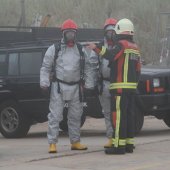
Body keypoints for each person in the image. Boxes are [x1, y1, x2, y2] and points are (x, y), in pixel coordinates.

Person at [88, 18, 141, 154]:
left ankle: (118, 146)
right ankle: (129, 144)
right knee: (129, 116)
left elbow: (111, 55)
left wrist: (96, 48)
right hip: (131, 89)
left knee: (117, 117)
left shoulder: (122, 44)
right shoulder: (135, 47)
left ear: (119, 30)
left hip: (119, 88)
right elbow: (138, 69)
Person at [40, 19, 87, 153]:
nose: (70, 36)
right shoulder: (54, 49)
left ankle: (75, 142)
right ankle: (52, 143)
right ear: (63, 34)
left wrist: (89, 83)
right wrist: (44, 82)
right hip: (59, 86)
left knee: (76, 115)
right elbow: (45, 67)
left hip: (76, 87)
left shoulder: (80, 49)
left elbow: (88, 66)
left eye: (73, 33)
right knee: (55, 115)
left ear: (75, 34)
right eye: (68, 33)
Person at [99, 18, 117, 148]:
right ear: (104, 32)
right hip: (104, 84)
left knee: (119, 112)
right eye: (108, 31)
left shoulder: (121, 46)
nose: (110, 33)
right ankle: (111, 137)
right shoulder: (100, 47)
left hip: (118, 84)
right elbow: (93, 65)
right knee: (107, 112)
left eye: (113, 31)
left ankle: (120, 137)